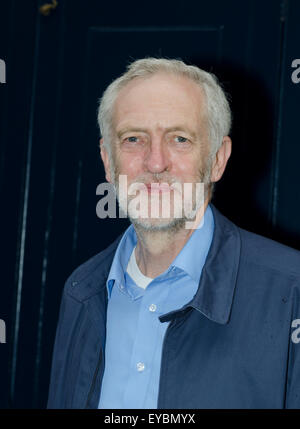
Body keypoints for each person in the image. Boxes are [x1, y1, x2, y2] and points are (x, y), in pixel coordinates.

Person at [47, 58, 300, 409]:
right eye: (133, 139)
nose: (154, 163)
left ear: (217, 159)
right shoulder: (81, 290)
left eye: (179, 139)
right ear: (108, 159)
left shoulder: (292, 290)